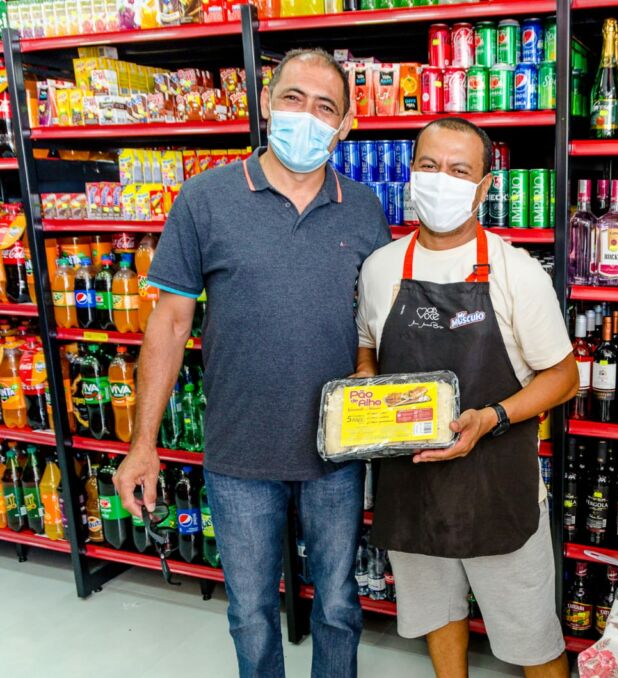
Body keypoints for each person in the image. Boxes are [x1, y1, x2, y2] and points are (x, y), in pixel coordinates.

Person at [113, 48, 391, 678]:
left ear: (346, 126)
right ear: (265, 103)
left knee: (341, 604)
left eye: (327, 107)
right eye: (293, 98)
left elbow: (378, 320)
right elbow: (169, 323)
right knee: (251, 611)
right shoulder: (205, 198)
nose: (308, 116)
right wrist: (143, 444)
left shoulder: (365, 208)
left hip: (336, 454)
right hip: (239, 451)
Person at [354, 117, 577, 678]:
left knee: (531, 637)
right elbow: (366, 344)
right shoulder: (382, 268)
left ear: (483, 189)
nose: (440, 180)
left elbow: (564, 377)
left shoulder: (516, 272)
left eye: (459, 171)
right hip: (412, 485)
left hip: (496, 488)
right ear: (410, 174)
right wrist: (363, 388)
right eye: (429, 166)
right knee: (436, 615)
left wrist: (493, 417)